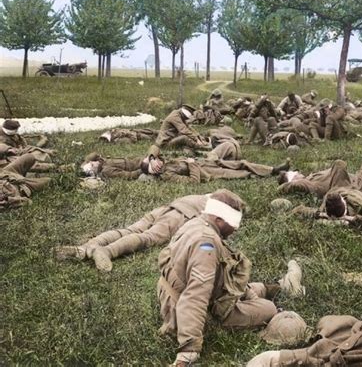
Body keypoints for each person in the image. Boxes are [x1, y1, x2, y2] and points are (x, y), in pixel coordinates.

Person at [158, 193, 278, 366]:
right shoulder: (206, 244)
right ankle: (264, 294)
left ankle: (269, 288)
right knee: (268, 308)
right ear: (219, 219)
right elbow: (196, 296)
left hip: (177, 288)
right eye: (234, 223)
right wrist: (189, 350)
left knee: (252, 290)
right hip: (187, 307)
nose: (236, 229)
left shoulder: (196, 222)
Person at [54, 189, 243, 271]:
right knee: (147, 237)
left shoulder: (207, 197)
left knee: (129, 229)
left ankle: (86, 247)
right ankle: (106, 251)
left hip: (167, 208)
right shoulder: (220, 209)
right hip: (179, 216)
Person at [279, 147, 362, 198]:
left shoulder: (311, 177)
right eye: (295, 174)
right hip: (356, 190)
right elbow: (288, 186)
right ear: (295, 180)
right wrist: (289, 182)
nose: (298, 172)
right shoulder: (307, 185)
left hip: (357, 177)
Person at [146, 155, 291, 183]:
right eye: (155, 166)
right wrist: (191, 164)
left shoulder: (165, 160)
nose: (157, 162)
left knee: (241, 162)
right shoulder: (168, 175)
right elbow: (193, 181)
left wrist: (152, 158)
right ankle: (270, 175)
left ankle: (273, 169)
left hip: (207, 162)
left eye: (155, 161)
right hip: (206, 172)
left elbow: (155, 149)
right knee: (239, 173)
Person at [80, 145, 162, 180]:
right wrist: (144, 168)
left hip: (140, 159)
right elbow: (128, 175)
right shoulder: (106, 171)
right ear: (94, 170)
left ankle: (153, 159)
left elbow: (93, 154)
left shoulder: (101, 162)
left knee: (155, 148)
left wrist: (85, 164)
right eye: (91, 164)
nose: (92, 162)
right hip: (141, 165)